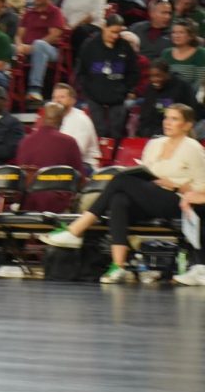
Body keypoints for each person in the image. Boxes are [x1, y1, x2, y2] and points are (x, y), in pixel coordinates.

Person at [42, 104, 205, 283]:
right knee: (119, 200)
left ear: (187, 125)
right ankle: (119, 267)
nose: (168, 122)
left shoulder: (193, 148)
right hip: (150, 195)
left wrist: (174, 185)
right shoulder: (154, 144)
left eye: (174, 119)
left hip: (176, 200)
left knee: (121, 180)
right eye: (166, 118)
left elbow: (200, 189)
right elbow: (146, 172)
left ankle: (76, 229)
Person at [76, 14, 139, 141]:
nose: (115, 36)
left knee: (117, 132)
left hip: (117, 98)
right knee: (99, 131)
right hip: (94, 97)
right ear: (104, 27)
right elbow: (81, 71)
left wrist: (124, 90)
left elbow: (133, 72)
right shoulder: (90, 45)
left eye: (118, 32)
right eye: (112, 32)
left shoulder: (125, 47)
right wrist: (88, 91)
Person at [136, 60, 198, 138]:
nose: (154, 79)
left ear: (167, 74)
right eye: (151, 76)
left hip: (176, 131)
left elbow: (191, 113)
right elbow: (145, 115)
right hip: (151, 132)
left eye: (158, 75)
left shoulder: (182, 87)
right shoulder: (150, 88)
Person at [51, 83, 102, 169]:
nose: (57, 100)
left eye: (62, 97)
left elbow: (77, 153)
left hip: (86, 165)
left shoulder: (81, 120)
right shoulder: (52, 119)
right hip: (61, 163)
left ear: (72, 101)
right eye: (54, 97)